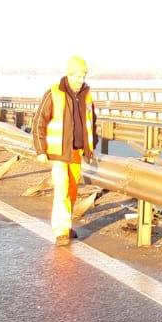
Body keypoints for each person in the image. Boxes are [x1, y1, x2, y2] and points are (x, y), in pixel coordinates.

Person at [32, 56, 97, 247]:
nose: (80, 80)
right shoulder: (55, 93)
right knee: (62, 188)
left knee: (72, 190)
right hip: (59, 152)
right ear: (69, 74)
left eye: (83, 76)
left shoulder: (87, 95)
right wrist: (41, 149)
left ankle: (66, 225)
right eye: (77, 76)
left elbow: (91, 122)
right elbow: (39, 121)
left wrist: (90, 148)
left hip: (77, 152)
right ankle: (61, 230)